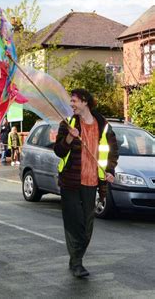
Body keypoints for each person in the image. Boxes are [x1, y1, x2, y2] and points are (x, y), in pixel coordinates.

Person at [54, 88, 119, 278]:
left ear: (85, 102)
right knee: (74, 223)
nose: (71, 104)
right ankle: (76, 262)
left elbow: (112, 152)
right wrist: (69, 137)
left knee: (87, 226)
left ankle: (76, 256)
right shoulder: (67, 124)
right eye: (71, 101)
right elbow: (58, 150)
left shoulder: (104, 126)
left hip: (93, 182)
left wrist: (109, 171)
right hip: (71, 181)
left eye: (74, 101)